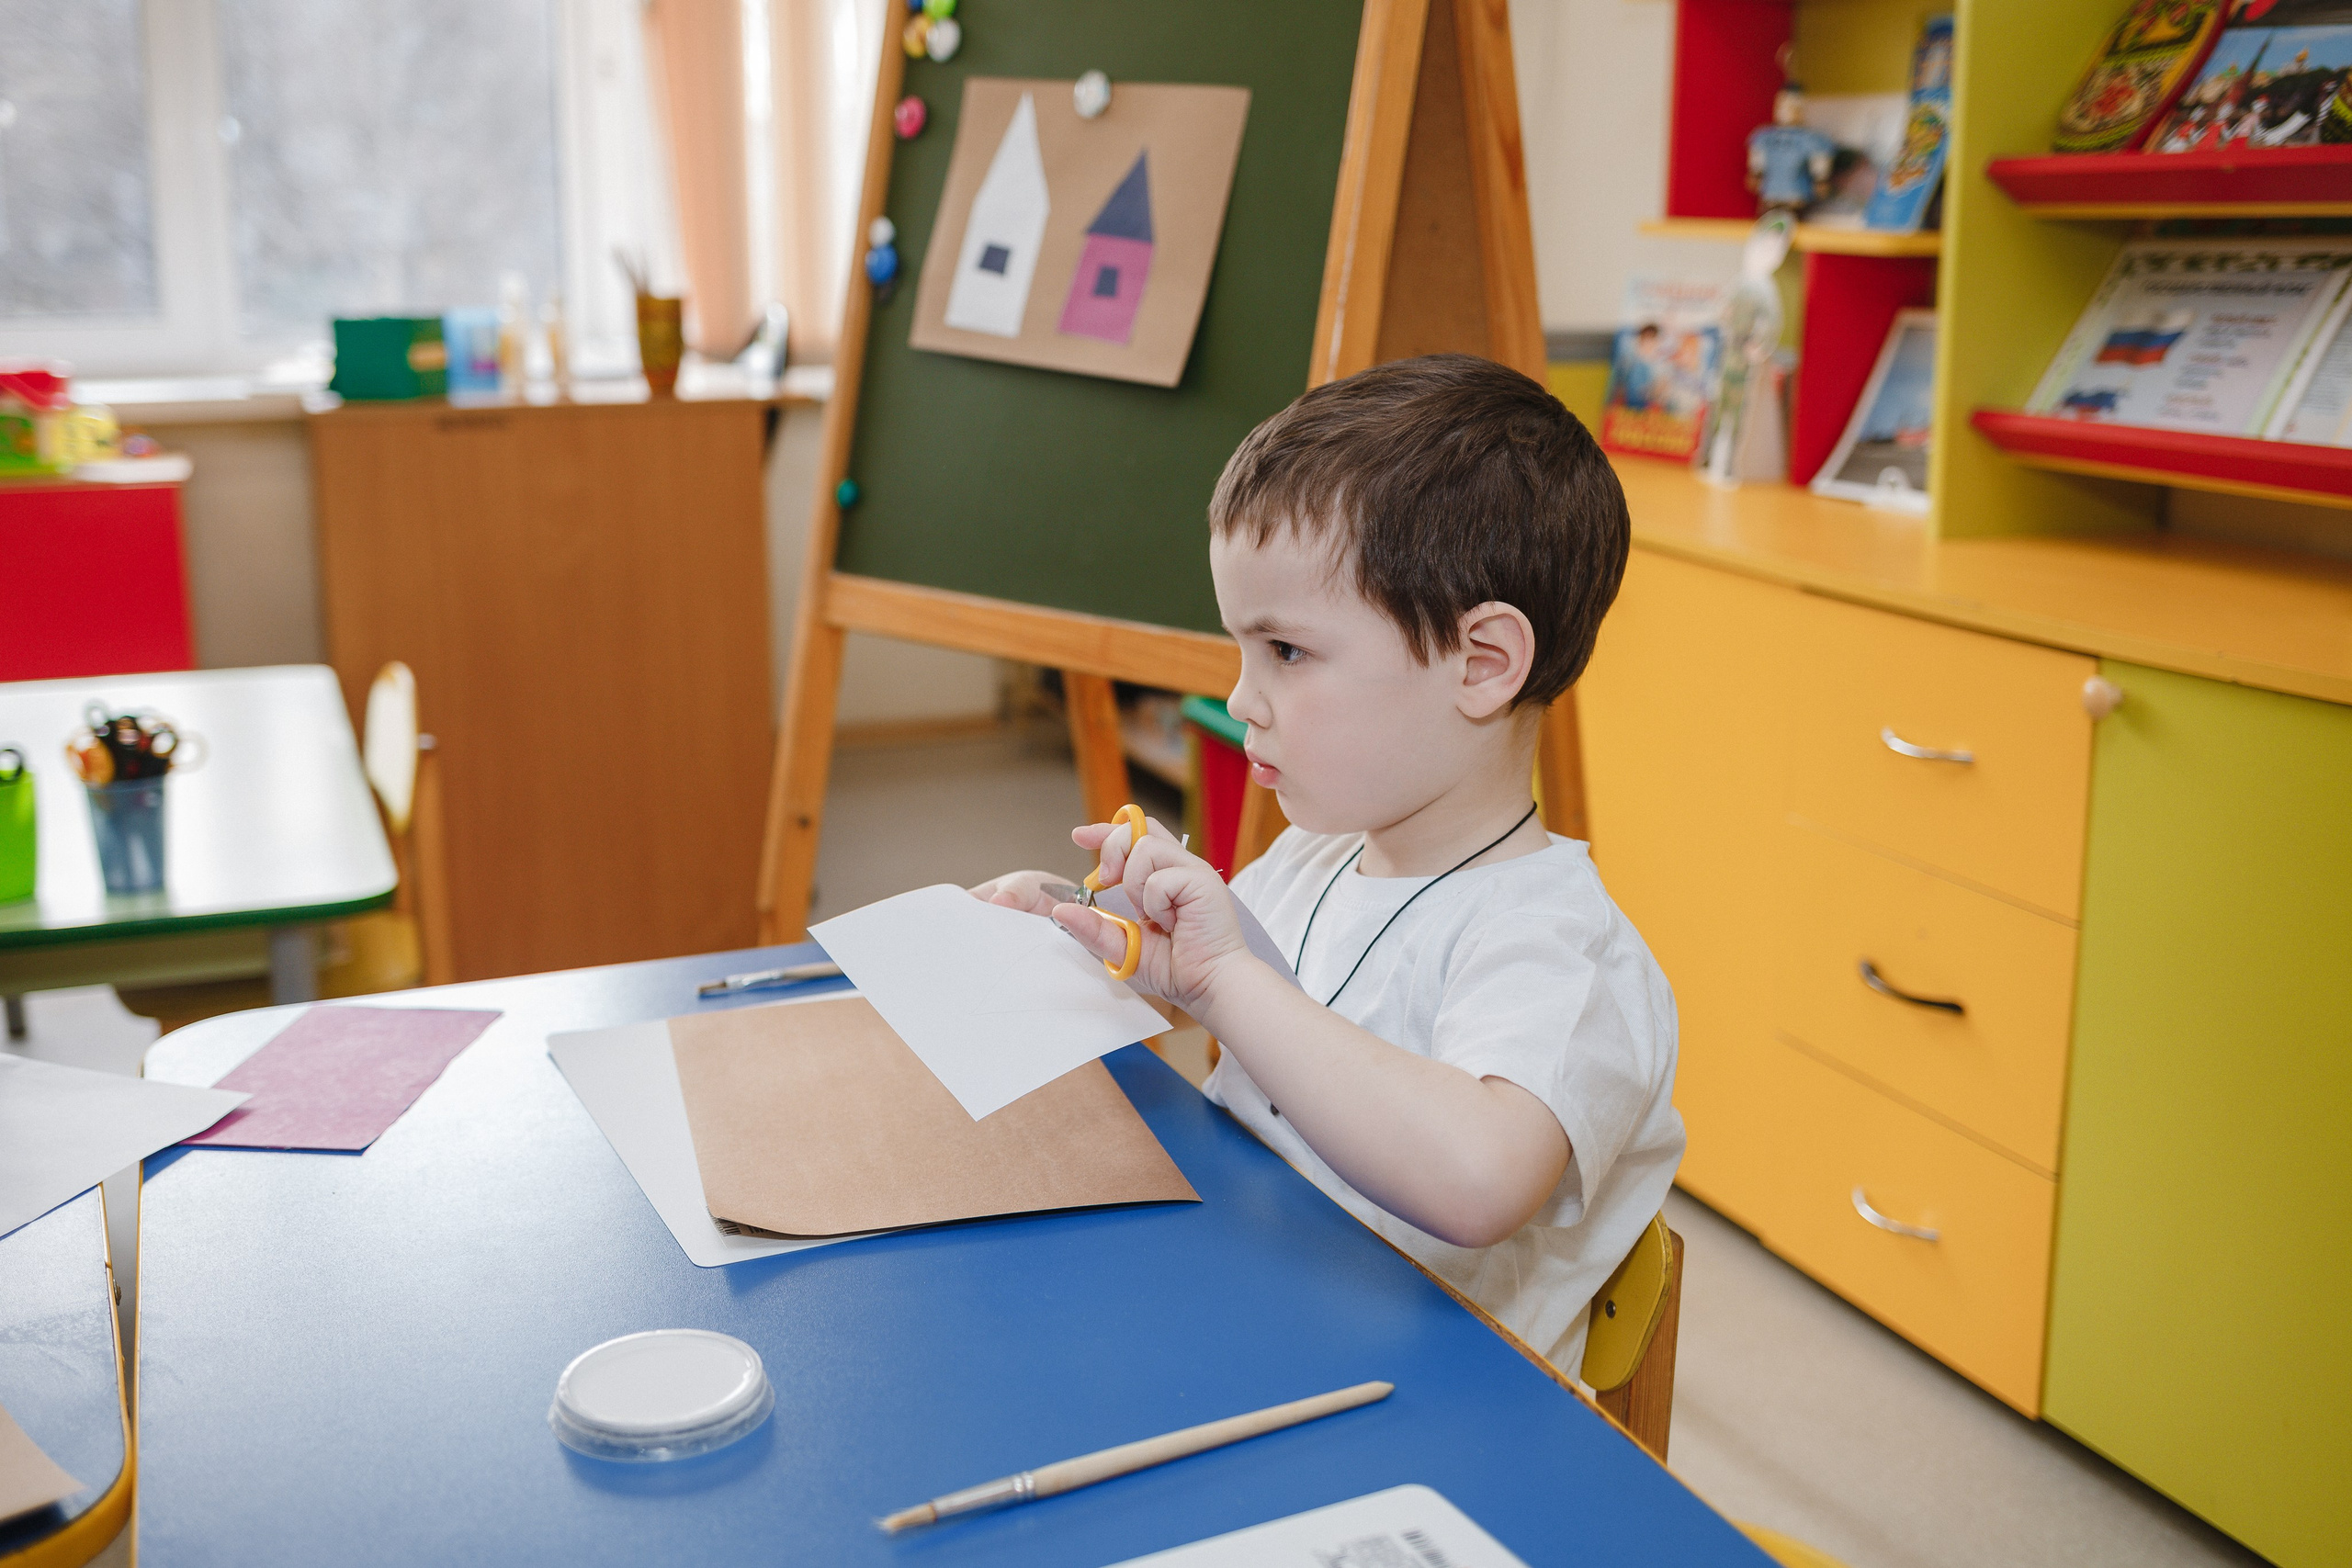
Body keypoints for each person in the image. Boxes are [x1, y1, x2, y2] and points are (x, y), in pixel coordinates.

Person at [970, 355, 1683, 1376]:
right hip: (1255, 1318)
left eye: (1287, 654)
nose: (1244, 697)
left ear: (1481, 665)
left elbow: (1476, 1180)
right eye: (1242, 650)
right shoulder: (1313, 860)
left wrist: (1222, 981)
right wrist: (1075, 926)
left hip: (1423, 1421)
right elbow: (1191, 995)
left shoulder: (1560, 954)